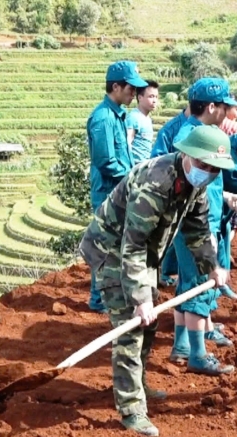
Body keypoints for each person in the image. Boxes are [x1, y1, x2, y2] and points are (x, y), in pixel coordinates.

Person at [79, 126, 235, 437]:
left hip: (144, 253)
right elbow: (132, 244)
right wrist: (140, 298)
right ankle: (131, 408)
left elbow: (198, 229)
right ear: (187, 156)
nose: (209, 173)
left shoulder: (196, 182)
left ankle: (139, 384)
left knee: (149, 325)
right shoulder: (156, 184)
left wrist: (212, 266)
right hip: (112, 251)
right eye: (204, 166)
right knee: (131, 328)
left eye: (215, 169)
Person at [151, 78, 237, 292]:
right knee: (197, 284)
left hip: (205, 216)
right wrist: (207, 229)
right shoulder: (191, 137)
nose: (227, 113)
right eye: (224, 107)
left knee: (194, 281)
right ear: (211, 107)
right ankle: (195, 327)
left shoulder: (202, 133)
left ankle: (198, 325)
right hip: (198, 221)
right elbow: (192, 186)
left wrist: (225, 196)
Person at [86, 59, 150, 313]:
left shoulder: (119, 115)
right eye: (130, 88)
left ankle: (107, 295)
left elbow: (123, 156)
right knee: (105, 246)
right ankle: (98, 299)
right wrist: (132, 176)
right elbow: (106, 162)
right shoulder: (102, 118)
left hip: (119, 189)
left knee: (116, 245)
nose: (134, 93)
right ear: (116, 86)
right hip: (107, 192)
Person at [126, 80, 160, 166]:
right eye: (151, 96)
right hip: (135, 168)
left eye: (156, 97)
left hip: (145, 167)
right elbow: (127, 144)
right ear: (140, 97)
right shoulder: (134, 117)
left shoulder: (147, 118)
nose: (154, 100)